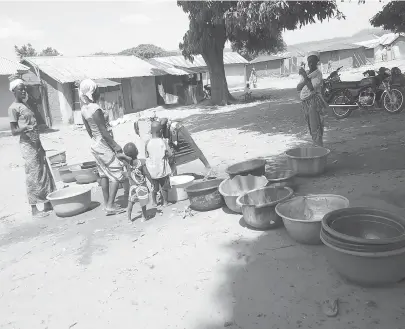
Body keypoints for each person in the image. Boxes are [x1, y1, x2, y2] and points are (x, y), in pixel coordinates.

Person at [8, 76, 56, 219]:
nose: (23, 91)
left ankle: (47, 202)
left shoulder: (26, 105)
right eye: (20, 89)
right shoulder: (13, 108)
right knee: (33, 174)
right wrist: (25, 128)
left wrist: (40, 145)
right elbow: (13, 131)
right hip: (27, 144)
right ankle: (34, 208)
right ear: (14, 92)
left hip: (36, 141)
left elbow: (34, 127)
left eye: (24, 89)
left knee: (44, 170)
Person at [80, 79, 129, 216]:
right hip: (103, 143)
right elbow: (103, 131)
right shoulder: (95, 109)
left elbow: (90, 131)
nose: (99, 92)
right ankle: (111, 205)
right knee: (116, 172)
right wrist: (115, 146)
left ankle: (107, 202)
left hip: (95, 144)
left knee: (103, 174)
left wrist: (98, 140)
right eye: (97, 90)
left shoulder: (84, 109)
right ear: (92, 93)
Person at [297, 51, 327, 147]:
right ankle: (317, 147)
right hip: (305, 103)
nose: (310, 64)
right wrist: (305, 77)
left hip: (313, 102)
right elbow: (298, 87)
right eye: (309, 61)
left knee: (315, 127)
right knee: (311, 127)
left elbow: (311, 88)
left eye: (312, 62)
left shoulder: (318, 74)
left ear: (317, 62)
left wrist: (305, 77)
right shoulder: (307, 73)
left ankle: (319, 149)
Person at [145, 121, 172, 207]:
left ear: (151, 131)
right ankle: (165, 202)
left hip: (151, 170)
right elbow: (170, 154)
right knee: (164, 186)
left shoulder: (147, 142)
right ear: (160, 131)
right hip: (162, 169)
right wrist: (166, 155)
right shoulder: (163, 141)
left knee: (154, 187)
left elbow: (146, 155)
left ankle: (154, 202)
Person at [123, 143, 150, 222]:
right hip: (141, 186)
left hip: (132, 187)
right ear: (137, 151)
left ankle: (129, 218)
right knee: (143, 202)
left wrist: (126, 156)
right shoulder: (141, 162)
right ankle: (144, 217)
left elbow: (118, 156)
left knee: (130, 202)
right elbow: (146, 173)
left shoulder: (126, 163)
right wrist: (152, 182)